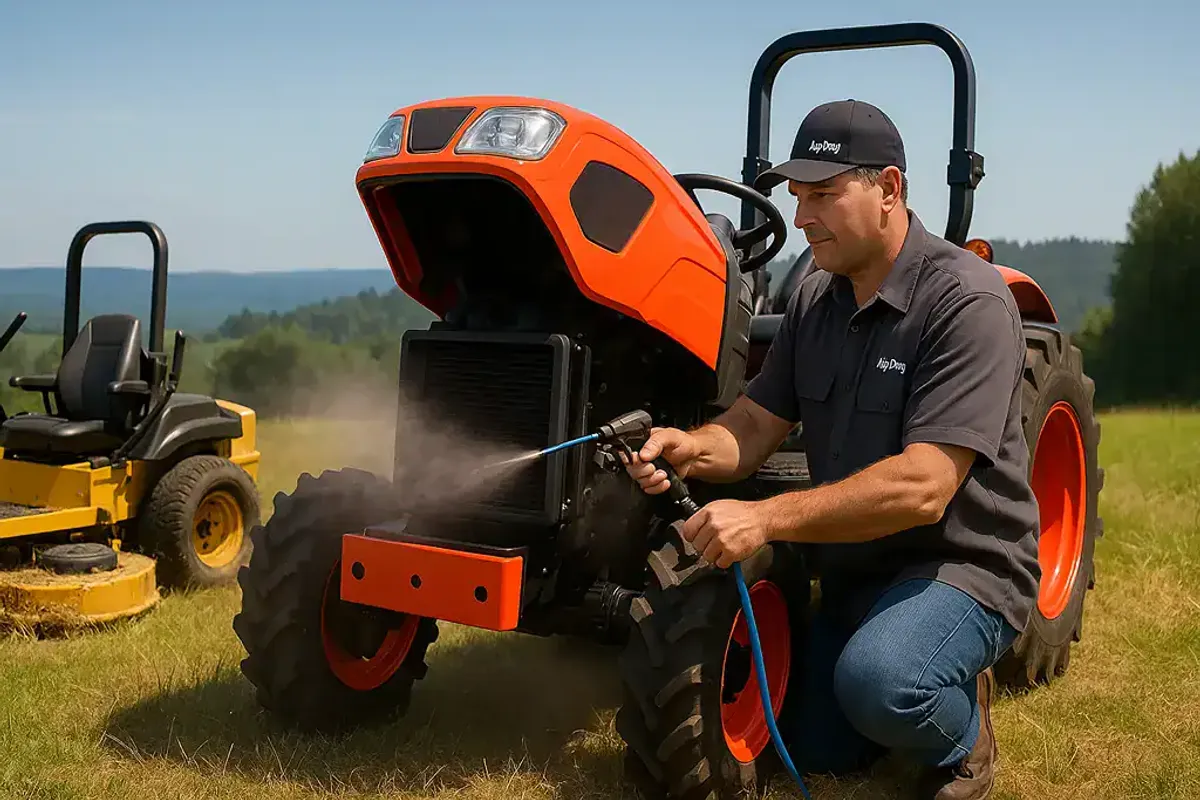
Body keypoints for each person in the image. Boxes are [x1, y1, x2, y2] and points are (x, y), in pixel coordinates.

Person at [624, 99, 1040, 800]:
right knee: (810, 735)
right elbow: (755, 424)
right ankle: (894, 672)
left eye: (824, 193)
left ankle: (964, 732)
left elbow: (925, 486)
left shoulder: (966, 302)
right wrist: (688, 447)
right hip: (857, 569)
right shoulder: (817, 297)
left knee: (884, 686)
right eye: (796, 195)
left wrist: (765, 519)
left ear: (889, 190)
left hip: (960, 566)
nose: (803, 213)